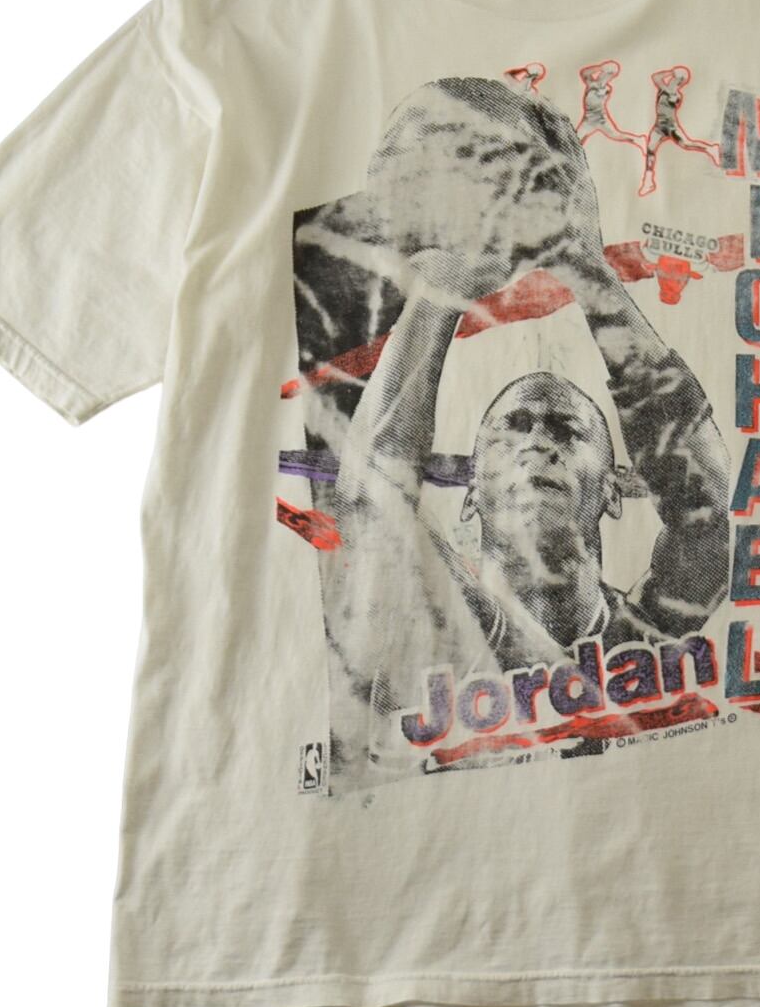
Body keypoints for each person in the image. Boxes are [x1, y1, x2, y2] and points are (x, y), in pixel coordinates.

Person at [301, 76, 731, 790]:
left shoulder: (646, 642)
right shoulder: (429, 612)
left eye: (566, 428)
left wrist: (589, 274)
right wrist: (442, 286)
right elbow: (374, 497)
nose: (538, 441)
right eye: (514, 427)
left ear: (614, 490)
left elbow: (707, 511)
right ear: (469, 494)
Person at [638, 64, 722, 196]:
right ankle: (648, 181)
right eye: (674, 78)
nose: (673, 80)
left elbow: (658, 80)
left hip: (670, 126)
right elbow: (656, 77)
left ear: (680, 82)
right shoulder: (664, 89)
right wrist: (671, 72)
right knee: (650, 149)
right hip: (659, 126)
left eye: (677, 79)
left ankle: (710, 149)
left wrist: (675, 74)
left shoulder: (674, 94)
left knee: (686, 144)